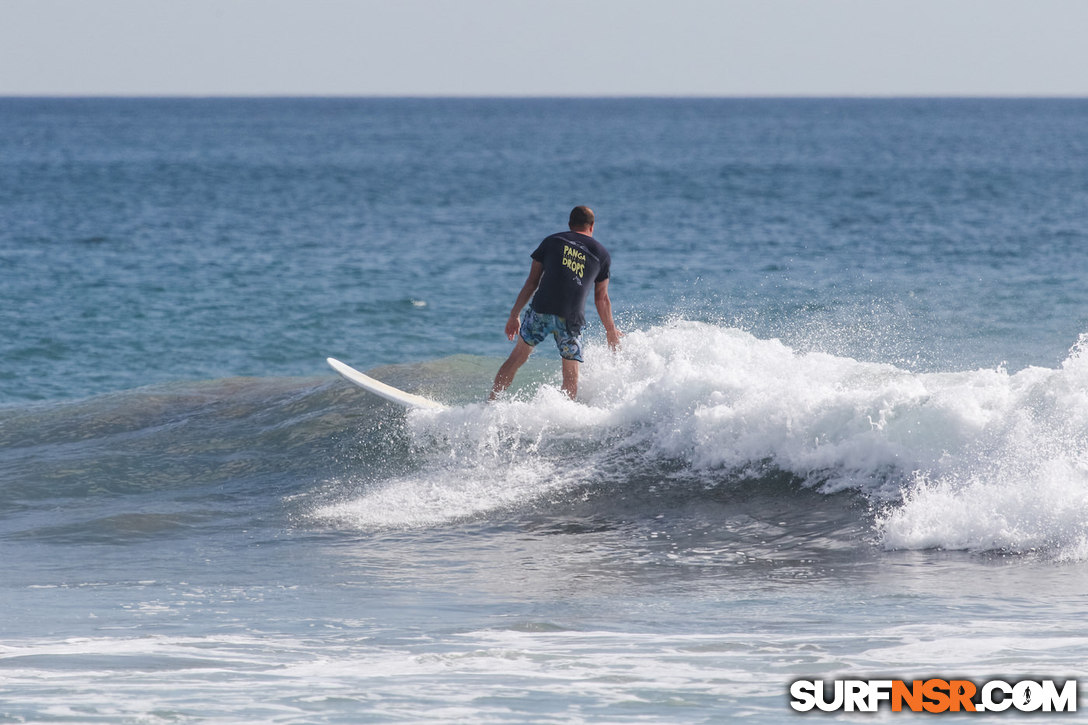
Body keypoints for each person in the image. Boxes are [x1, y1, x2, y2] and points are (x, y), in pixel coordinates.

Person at [490, 206, 622, 401]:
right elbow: (601, 298)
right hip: (570, 318)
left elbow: (532, 282)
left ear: (569, 224)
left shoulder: (552, 241)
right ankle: (563, 417)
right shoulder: (602, 254)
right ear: (592, 226)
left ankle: (490, 404)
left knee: (516, 358)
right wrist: (610, 330)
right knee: (570, 376)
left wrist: (514, 315)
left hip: (541, 310)